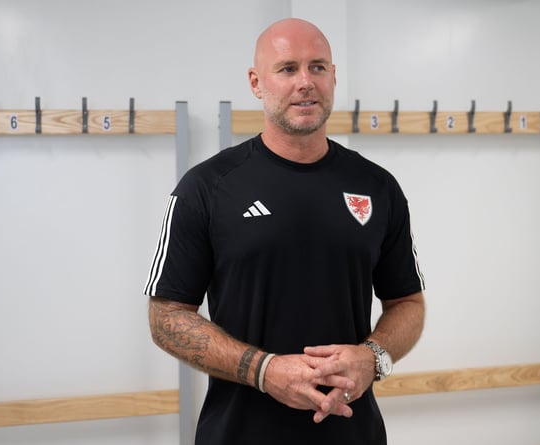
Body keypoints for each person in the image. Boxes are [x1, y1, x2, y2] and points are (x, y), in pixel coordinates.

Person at [143, 17, 425, 445]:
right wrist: (263, 370)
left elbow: (407, 302)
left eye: (317, 67)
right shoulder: (207, 187)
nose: (305, 82)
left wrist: (374, 357)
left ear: (333, 77)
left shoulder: (377, 186)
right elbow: (165, 317)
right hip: (238, 433)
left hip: (354, 433)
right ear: (257, 83)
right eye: (287, 68)